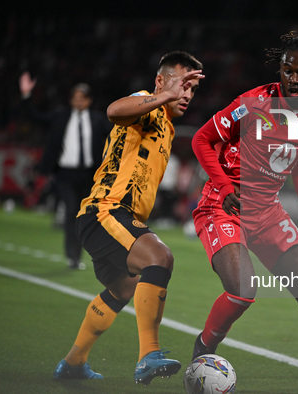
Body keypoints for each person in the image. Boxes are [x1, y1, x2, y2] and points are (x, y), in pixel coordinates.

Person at [190, 18, 298, 394]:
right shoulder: (252, 103)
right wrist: (223, 188)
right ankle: (203, 350)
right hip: (224, 206)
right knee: (242, 291)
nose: (292, 78)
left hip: (268, 212)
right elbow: (202, 141)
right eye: (287, 70)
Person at [52, 51, 204, 386]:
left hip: (117, 216)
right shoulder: (145, 104)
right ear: (161, 82)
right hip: (106, 210)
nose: (186, 95)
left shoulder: (165, 126)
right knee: (160, 257)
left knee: (123, 289)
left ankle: (73, 363)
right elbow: (113, 111)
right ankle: (148, 354)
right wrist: (162, 96)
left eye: (192, 90)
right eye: (182, 85)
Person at [19, 74, 111, 269]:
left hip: (89, 176)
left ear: (89, 100)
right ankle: (73, 257)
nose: (79, 101)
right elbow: (35, 117)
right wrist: (26, 95)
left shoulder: (97, 119)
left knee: (87, 217)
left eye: (82, 97)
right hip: (65, 175)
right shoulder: (60, 117)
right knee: (71, 213)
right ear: (71, 100)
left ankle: (81, 255)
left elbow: (118, 132)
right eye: (75, 97)